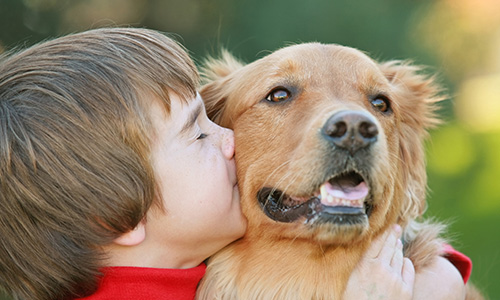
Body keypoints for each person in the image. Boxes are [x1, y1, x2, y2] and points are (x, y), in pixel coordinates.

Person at [0, 27, 469, 300]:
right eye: (199, 131)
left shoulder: (182, 255)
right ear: (120, 212)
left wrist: (438, 273)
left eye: (378, 107)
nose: (230, 143)